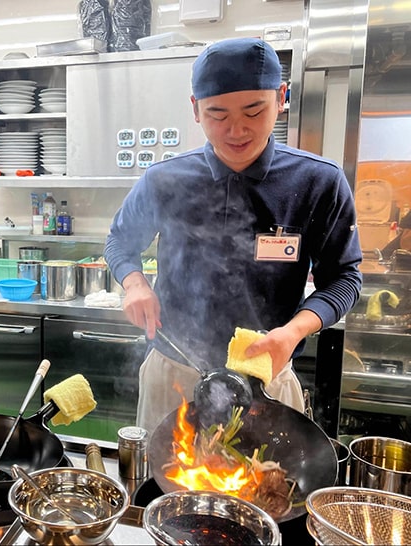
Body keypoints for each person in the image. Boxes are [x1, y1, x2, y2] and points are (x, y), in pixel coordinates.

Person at [104, 37, 363, 434]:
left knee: (267, 491)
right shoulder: (165, 178)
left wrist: (294, 332)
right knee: (159, 490)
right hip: (174, 372)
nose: (236, 129)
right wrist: (134, 283)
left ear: (281, 97)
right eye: (217, 114)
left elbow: (345, 277)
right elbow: (120, 242)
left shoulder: (318, 181)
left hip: (267, 378)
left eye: (254, 110)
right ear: (195, 110)